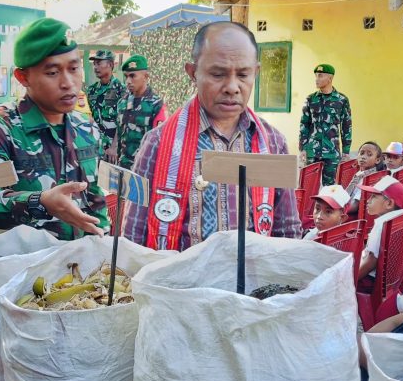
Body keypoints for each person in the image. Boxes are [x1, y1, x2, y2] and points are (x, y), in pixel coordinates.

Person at [123, 22, 302, 251]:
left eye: (243, 75)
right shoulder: (158, 143)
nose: (232, 87)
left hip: (249, 284)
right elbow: (133, 232)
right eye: (218, 74)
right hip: (179, 283)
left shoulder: (273, 142)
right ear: (192, 72)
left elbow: (287, 230)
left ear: (256, 72)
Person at [0, 17, 108, 239]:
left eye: (74, 68)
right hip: (22, 269)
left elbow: (97, 201)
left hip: (81, 267)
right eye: (52, 72)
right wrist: (40, 203)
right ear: (23, 77)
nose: (68, 82)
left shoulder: (87, 128)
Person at [299, 63, 352, 186]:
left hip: (332, 152)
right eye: (316, 76)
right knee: (308, 186)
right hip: (312, 150)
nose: (316, 79)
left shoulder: (342, 100)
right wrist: (303, 148)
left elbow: (346, 125)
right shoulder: (311, 99)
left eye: (320, 76)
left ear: (330, 78)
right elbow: (304, 124)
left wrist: (346, 150)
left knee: (330, 188)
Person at [357, 175, 403, 287]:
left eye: (373, 197)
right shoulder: (400, 219)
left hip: (370, 281)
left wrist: (349, 280)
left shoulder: (381, 224)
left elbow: (370, 262)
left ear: (389, 204)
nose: (368, 201)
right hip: (389, 282)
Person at [114, 54, 167, 170]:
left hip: (144, 169)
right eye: (126, 76)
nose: (128, 81)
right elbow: (120, 134)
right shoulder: (122, 103)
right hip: (123, 166)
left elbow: (161, 143)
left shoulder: (156, 105)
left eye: (133, 76)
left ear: (145, 76)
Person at [85, 49, 126, 159]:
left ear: (111, 64)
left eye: (99, 63)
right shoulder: (91, 90)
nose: (95, 67)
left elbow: (123, 121)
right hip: (94, 146)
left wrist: (114, 147)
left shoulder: (121, 90)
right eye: (94, 64)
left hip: (112, 151)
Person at [345, 141, 386, 215]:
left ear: (377, 160)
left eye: (369, 155)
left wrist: (340, 211)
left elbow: (355, 205)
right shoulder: (361, 173)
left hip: (350, 212)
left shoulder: (368, 178)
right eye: (361, 153)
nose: (363, 157)